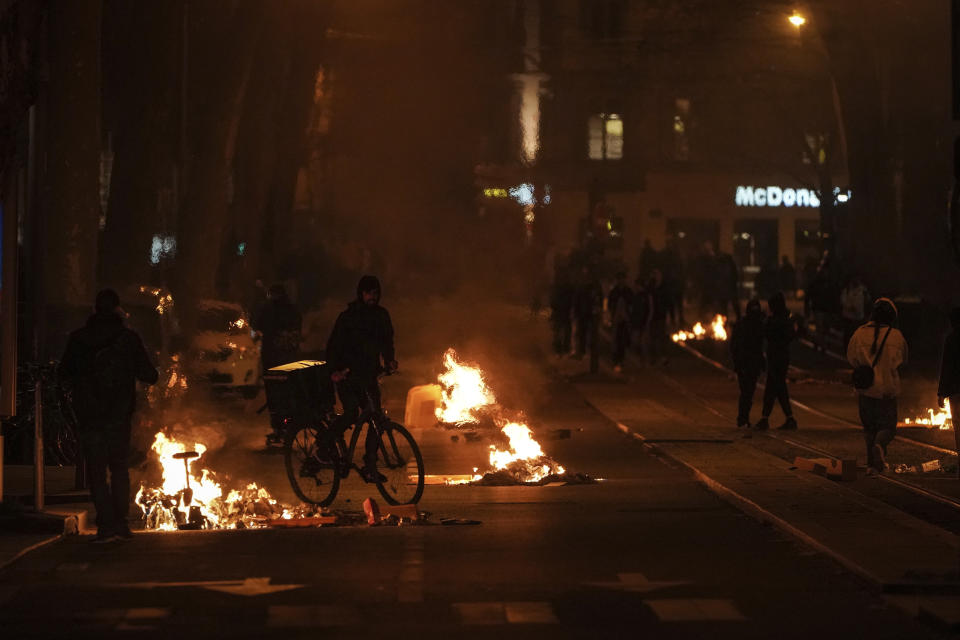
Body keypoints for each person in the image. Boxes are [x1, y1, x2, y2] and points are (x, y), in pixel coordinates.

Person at [59, 289, 159, 542]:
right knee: (119, 468)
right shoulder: (128, 339)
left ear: (94, 309)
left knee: (96, 470)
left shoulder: (79, 339)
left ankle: (105, 524)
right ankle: (121, 522)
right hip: (119, 415)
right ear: (117, 309)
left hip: (90, 415)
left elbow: (63, 373)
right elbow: (150, 375)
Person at [326, 275, 398, 483]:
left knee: (376, 419)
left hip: (369, 376)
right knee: (350, 413)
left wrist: (390, 361)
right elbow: (334, 346)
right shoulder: (349, 317)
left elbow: (387, 342)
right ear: (361, 294)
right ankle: (323, 447)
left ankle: (370, 465)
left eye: (375, 293)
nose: (372, 297)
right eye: (368, 293)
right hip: (348, 375)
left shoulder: (381, 316)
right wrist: (335, 371)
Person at [847, 298, 908, 474]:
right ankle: (879, 446)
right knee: (887, 427)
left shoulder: (859, 333)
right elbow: (904, 359)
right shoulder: (896, 336)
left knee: (869, 427)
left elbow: (852, 358)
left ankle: (871, 465)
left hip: (865, 389)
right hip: (887, 390)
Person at [753, 292, 798, 431]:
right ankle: (767, 418)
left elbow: (765, 333)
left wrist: (765, 320)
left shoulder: (774, 321)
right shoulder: (787, 319)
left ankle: (787, 418)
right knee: (774, 387)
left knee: (776, 387)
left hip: (775, 357)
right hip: (783, 356)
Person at [730, 299, 766, 431]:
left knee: (747, 392)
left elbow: (760, 346)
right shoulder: (752, 325)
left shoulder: (750, 324)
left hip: (748, 363)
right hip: (746, 363)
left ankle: (743, 418)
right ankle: (742, 418)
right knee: (747, 392)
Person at [253, 283, 302, 371]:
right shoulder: (291, 308)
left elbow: (258, 325)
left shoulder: (267, 308)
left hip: (271, 349)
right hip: (285, 350)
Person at [938, 307, 960, 477]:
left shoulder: (952, 339)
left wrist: (941, 393)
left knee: (958, 426)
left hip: (956, 391)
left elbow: (946, 368)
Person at [607, 271, 633, 373]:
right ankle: (616, 359)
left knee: (622, 340)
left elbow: (631, 303)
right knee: (615, 340)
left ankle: (621, 359)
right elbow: (610, 304)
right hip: (616, 319)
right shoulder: (614, 292)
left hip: (625, 319)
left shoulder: (627, 291)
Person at [549, 265, 575, 357]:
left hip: (563, 311)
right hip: (562, 311)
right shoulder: (565, 286)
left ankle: (561, 349)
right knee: (562, 331)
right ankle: (562, 349)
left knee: (562, 331)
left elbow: (553, 299)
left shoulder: (562, 286)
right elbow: (553, 300)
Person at [646, 268, 670, 366]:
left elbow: (667, 303)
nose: (656, 277)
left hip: (661, 316)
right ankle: (654, 358)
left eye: (657, 274)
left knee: (661, 338)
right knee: (652, 338)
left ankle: (662, 358)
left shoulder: (664, 288)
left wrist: (668, 316)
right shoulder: (650, 288)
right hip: (652, 317)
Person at [840, 276, 869, 346]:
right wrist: (850, 307)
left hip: (858, 317)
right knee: (847, 334)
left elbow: (867, 302)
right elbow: (843, 300)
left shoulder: (863, 291)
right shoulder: (847, 289)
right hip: (848, 315)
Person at [715, 250, 741, 321]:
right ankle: (729, 319)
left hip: (727, 288)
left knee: (727, 305)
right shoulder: (729, 264)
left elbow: (734, 277)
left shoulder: (727, 265)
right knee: (727, 305)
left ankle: (730, 319)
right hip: (727, 289)